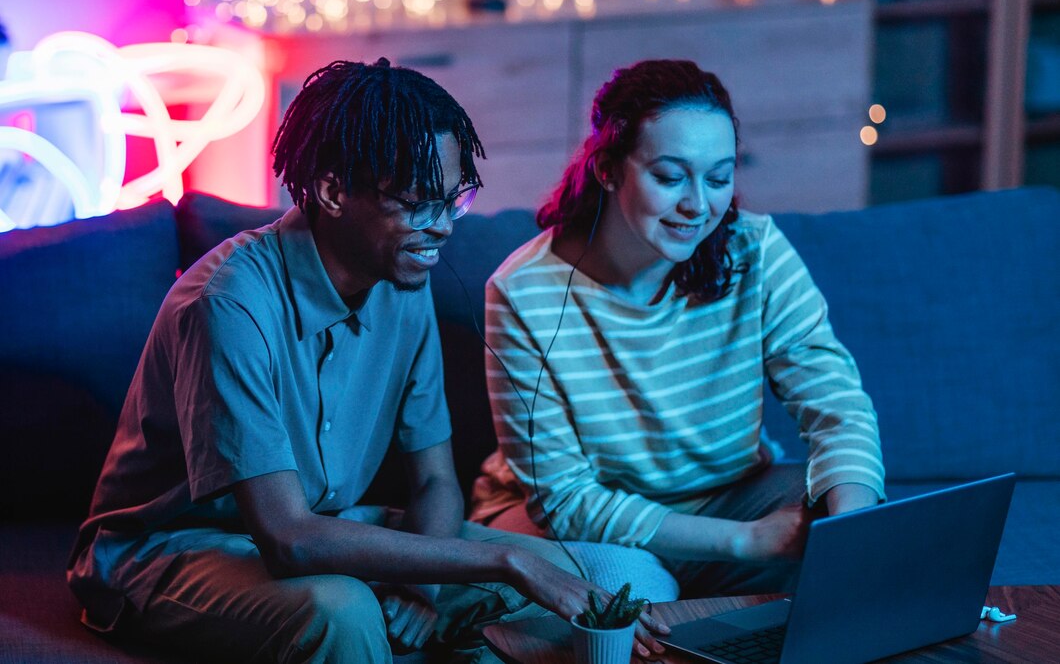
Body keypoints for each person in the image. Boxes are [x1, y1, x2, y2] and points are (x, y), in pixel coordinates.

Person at [67, 58, 667, 663]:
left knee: (595, 577)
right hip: (174, 550)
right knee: (343, 613)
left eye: (454, 199)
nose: (442, 228)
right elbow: (289, 539)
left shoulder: (402, 276)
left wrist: (423, 587)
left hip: (334, 525)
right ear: (332, 191)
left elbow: (435, 480)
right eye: (417, 202)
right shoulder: (228, 303)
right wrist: (506, 559)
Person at [469, 59, 886, 597]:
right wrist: (748, 541)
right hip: (570, 522)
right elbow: (565, 500)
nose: (698, 205)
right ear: (608, 169)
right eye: (669, 177)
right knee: (632, 593)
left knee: (858, 526)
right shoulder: (523, 292)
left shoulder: (754, 250)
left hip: (729, 498)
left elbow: (838, 408)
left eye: (719, 177)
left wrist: (849, 532)